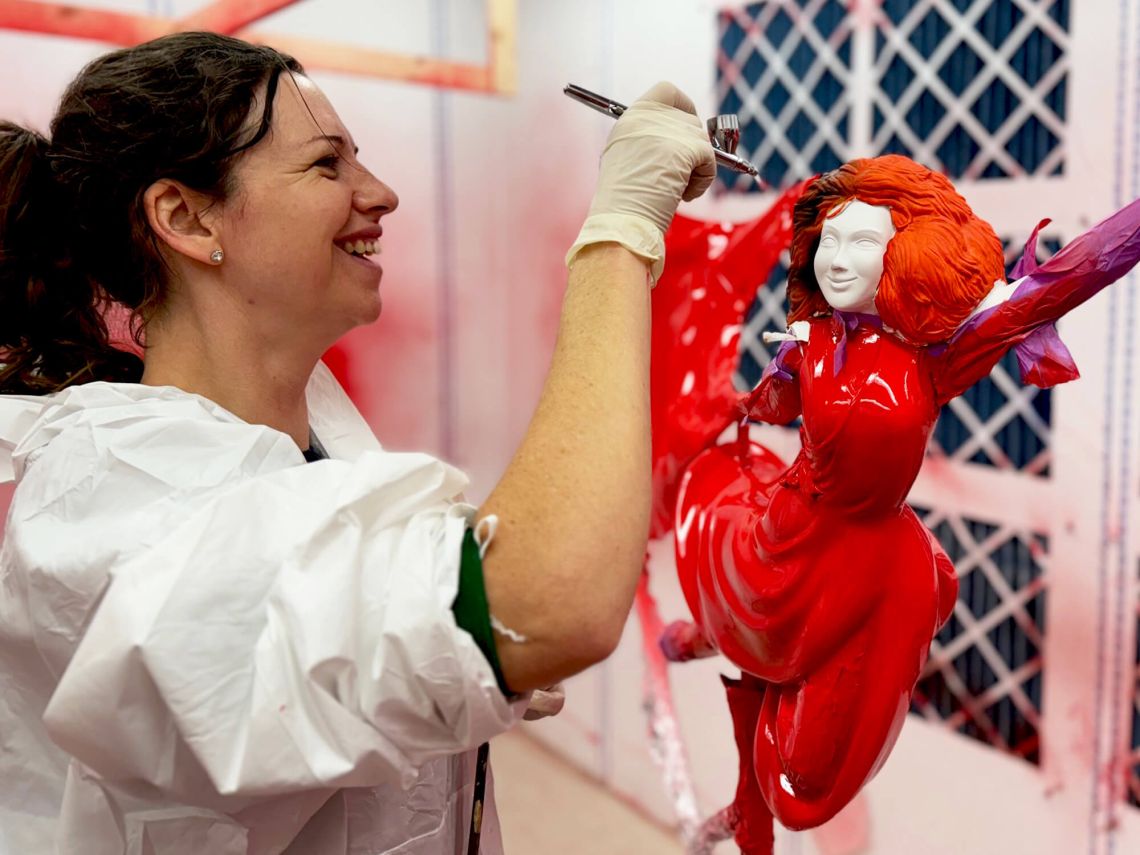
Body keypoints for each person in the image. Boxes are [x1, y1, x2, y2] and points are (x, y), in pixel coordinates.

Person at [0, 31, 716, 854]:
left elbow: (303, 699)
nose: (381, 194)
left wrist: (445, 662)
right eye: (326, 165)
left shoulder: (309, 431)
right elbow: (557, 601)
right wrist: (618, 236)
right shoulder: (120, 505)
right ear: (186, 217)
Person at [667, 155, 1140, 854]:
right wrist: (743, 398)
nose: (837, 258)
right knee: (754, 633)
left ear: (903, 254)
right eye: (830, 239)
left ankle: (746, 749)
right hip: (788, 530)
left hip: (870, 560)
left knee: (804, 782)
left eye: (863, 242)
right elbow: (767, 406)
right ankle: (743, 779)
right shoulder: (808, 339)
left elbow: (1066, 280)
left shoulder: (935, 357)